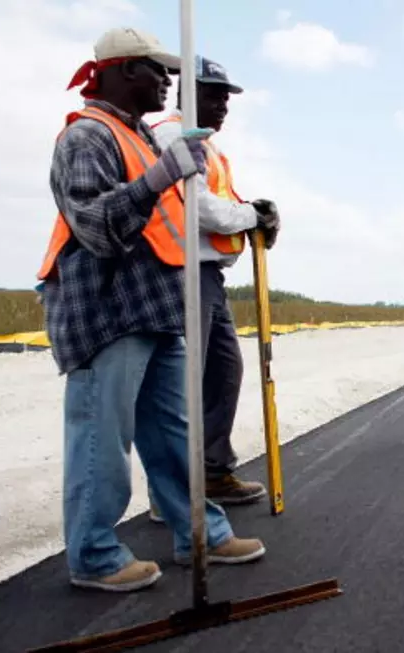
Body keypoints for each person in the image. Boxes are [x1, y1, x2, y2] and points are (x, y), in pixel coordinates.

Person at [36, 27, 265, 592]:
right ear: (118, 71)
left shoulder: (142, 136)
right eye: (154, 69)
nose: (167, 80)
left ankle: (201, 534)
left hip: (156, 305)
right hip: (106, 311)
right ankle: (92, 554)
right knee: (100, 439)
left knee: (174, 435)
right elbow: (94, 225)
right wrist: (162, 176)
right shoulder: (87, 137)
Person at [149, 55, 279, 513]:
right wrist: (252, 216)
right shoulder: (173, 135)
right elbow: (199, 207)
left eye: (226, 97)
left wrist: (251, 211)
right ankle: (175, 494)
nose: (223, 105)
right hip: (180, 270)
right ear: (189, 94)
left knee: (224, 371)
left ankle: (212, 470)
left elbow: (222, 203)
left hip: (209, 274)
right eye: (214, 95)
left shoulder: (210, 146)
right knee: (186, 381)